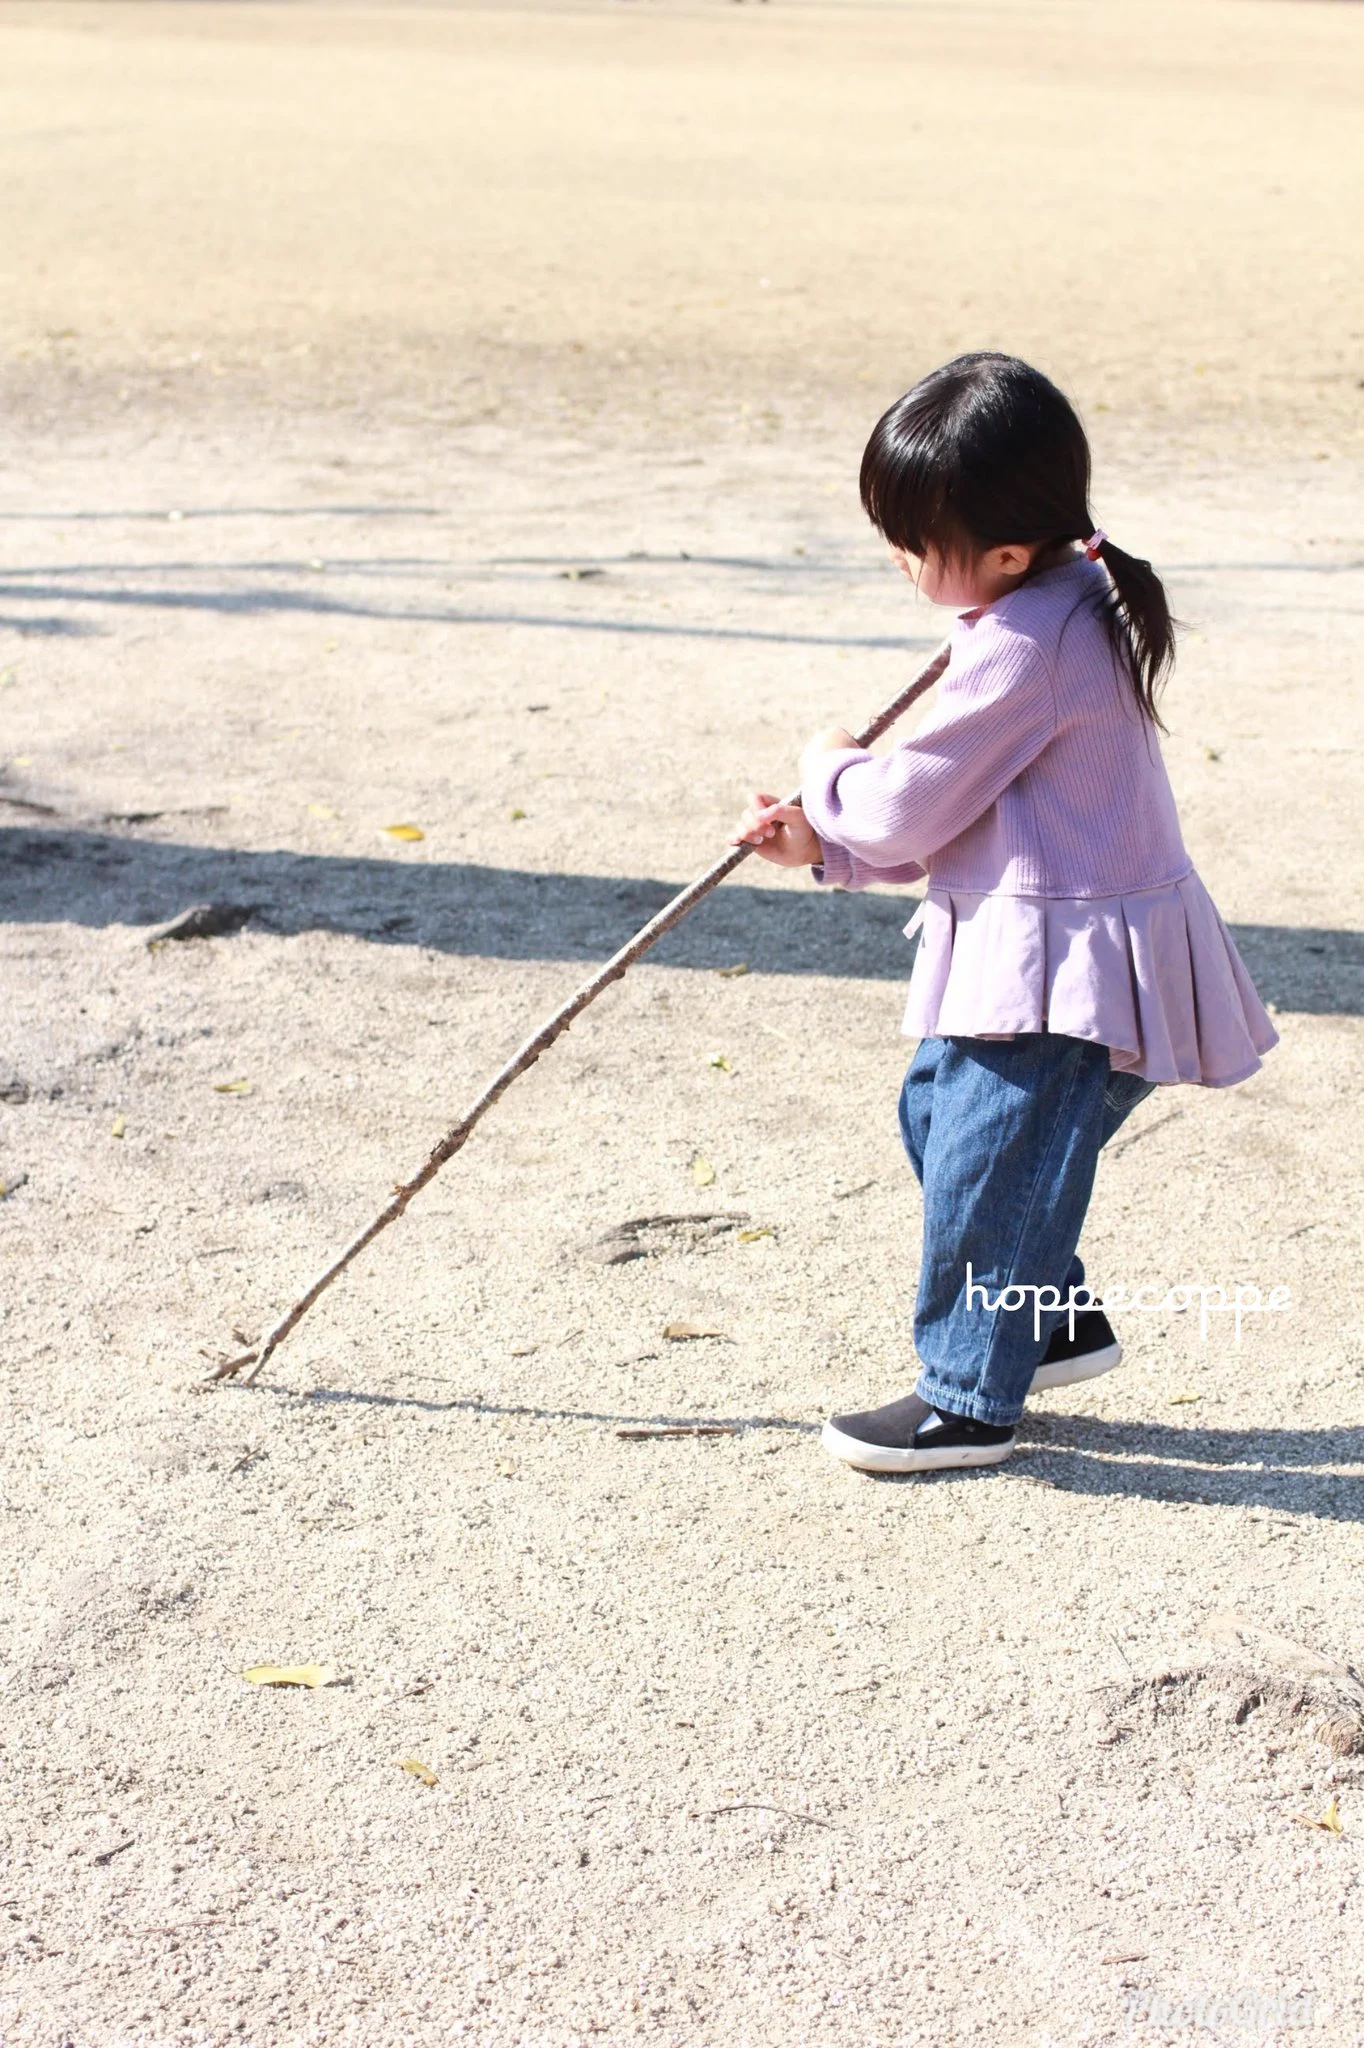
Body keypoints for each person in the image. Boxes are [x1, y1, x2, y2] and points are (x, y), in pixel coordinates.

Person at [731, 352, 1277, 1476]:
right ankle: (1050, 1317)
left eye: (911, 538)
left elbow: (909, 800)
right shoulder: (1052, 602)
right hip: (1047, 943)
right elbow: (984, 813)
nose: (897, 557)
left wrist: (829, 771)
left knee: (987, 1163)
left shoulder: (1027, 643)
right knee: (944, 1122)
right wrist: (822, 847)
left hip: (1065, 968)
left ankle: (967, 1396)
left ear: (1006, 550)